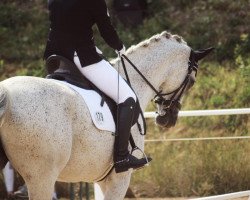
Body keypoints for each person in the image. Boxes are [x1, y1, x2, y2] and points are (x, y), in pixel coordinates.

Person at [44, 0, 151, 173]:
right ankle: (122, 156)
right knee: (127, 97)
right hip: (81, 55)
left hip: (55, 55)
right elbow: (106, 28)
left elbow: (67, 24)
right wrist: (119, 46)